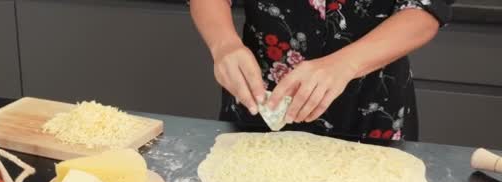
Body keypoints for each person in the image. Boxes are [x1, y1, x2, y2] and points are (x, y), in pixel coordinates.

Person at [190, 0, 453, 140]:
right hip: (261, 101)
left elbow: (425, 8)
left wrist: (345, 63)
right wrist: (224, 44)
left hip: (371, 111)